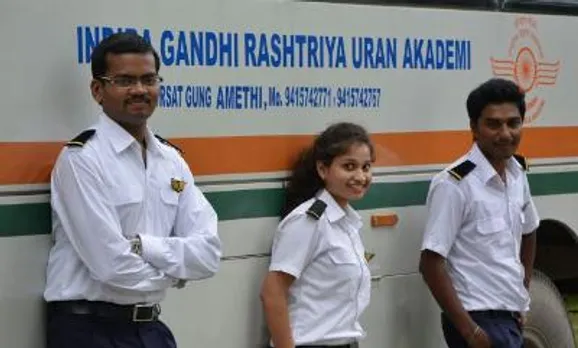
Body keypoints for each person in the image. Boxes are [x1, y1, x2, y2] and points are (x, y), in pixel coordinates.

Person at [43, 32, 222, 348]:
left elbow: (208, 254)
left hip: (150, 328)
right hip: (89, 330)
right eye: (125, 80)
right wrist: (176, 273)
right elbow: (111, 267)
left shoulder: (171, 160)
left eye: (149, 79)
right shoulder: (82, 159)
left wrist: (144, 246)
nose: (140, 90)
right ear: (98, 90)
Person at [419, 78, 540, 348]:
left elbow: (530, 231)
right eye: (493, 124)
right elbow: (430, 264)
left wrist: (523, 291)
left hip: (508, 318)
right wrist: (471, 332)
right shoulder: (454, 184)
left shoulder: (517, 173)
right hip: (476, 320)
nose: (505, 133)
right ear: (474, 128)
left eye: (513, 123)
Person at [260, 122, 374, 348]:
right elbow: (272, 294)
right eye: (349, 166)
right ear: (323, 169)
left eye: (366, 167)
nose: (361, 176)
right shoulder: (308, 221)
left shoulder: (347, 224)